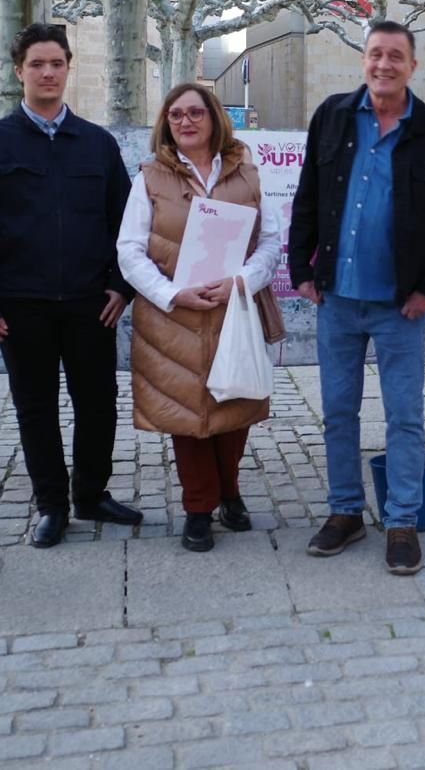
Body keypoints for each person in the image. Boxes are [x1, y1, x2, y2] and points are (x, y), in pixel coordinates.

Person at [289, 21, 425, 576]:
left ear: (412, 66)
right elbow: (307, 196)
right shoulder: (332, 116)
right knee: (338, 413)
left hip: (402, 306)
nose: (384, 64)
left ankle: (401, 521)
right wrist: (301, 269)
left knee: (404, 418)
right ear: (364, 60)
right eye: (376, 54)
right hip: (338, 300)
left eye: (396, 56)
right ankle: (345, 512)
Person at [0, 23, 139, 549]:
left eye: (56, 63)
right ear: (19, 72)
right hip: (21, 306)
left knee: (98, 403)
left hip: (90, 303)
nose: (48, 73)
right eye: (37, 64)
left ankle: (92, 494)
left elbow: (126, 224)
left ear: (67, 69)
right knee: (35, 407)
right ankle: (52, 505)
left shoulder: (98, 144)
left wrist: (120, 286)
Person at [117, 83, 284, 553]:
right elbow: (129, 251)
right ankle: (198, 508)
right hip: (173, 319)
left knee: (235, 407)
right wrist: (171, 295)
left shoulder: (246, 173)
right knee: (186, 416)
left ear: (213, 117)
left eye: (195, 112)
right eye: (176, 115)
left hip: (234, 312)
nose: (185, 121)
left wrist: (242, 281)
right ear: (166, 124)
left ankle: (229, 492)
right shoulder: (149, 177)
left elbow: (270, 242)